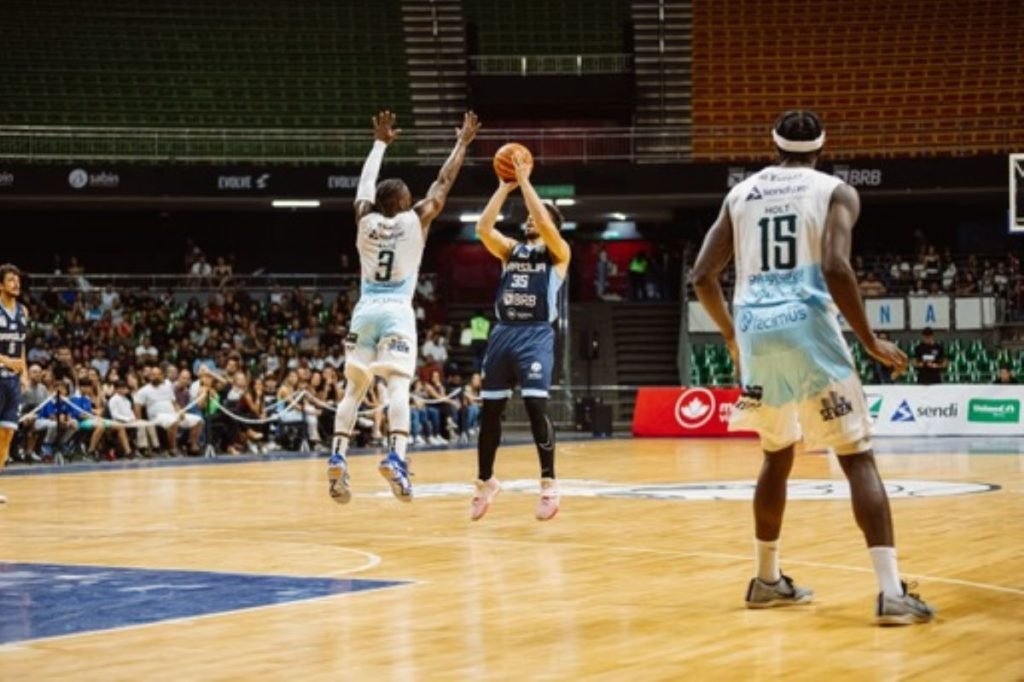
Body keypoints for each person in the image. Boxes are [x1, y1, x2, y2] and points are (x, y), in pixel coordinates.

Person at [690, 110, 934, 625]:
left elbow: (701, 277)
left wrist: (732, 335)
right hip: (810, 331)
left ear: (772, 145)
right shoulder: (835, 190)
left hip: (757, 334)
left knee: (776, 455)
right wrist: (867, 338)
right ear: (823, 146)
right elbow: (835, 267)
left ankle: (766, 580)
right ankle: (891, 593)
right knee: (856, 456)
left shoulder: (740, 194)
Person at [328, 109, 480, 504]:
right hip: (396, 309)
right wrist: (461, 143)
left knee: (354, 388)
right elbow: (444, 181)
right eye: (409, 196)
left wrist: (379, 143)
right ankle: (396, 457)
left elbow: (364, 185)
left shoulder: (364, 220)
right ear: (402, 202)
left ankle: (337, 457)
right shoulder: (417, 219)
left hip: (364, 311)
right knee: (397, 385)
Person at [471, 151, 570, 522]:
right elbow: (482, 229)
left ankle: (549, 484)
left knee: (534, 406)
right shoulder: (511, 251)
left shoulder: (559, 253)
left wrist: (527, 182)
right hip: (502, 334)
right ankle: (485, 481)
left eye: (535, 217)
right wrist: (504, 186)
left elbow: (544, 220)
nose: (529, 218)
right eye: (527, 216)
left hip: (535, 335)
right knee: (490, 413)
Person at [0, 264, 28, 504]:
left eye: (17, 280)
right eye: (10, 280)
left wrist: (25, 373)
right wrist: (6, 361)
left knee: (7, 433)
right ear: (1, 285)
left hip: (13, 382)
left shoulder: (23, 312)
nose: (16, 284)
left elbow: (21, 346)